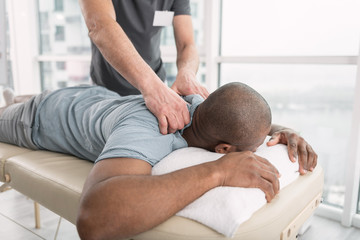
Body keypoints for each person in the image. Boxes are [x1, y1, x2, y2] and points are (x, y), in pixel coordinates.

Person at [0, 82, 317, 240]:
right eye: (255, 147)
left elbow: (239, 118)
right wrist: (216, 173)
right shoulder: (149, 133)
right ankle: (12, 103)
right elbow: (93, 219)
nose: (260, 148)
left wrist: (284, 131)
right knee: (8, 114)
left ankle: (16, 96)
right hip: (39, 117)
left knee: (27, 98)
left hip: (94, 99)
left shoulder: (197, 106)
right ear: (223, 150)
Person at [79, 0, 209, 135]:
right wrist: (152, 88)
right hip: (108, 89)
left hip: (156, 87)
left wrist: (187, 73)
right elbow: (99, 25)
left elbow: (186, 44)